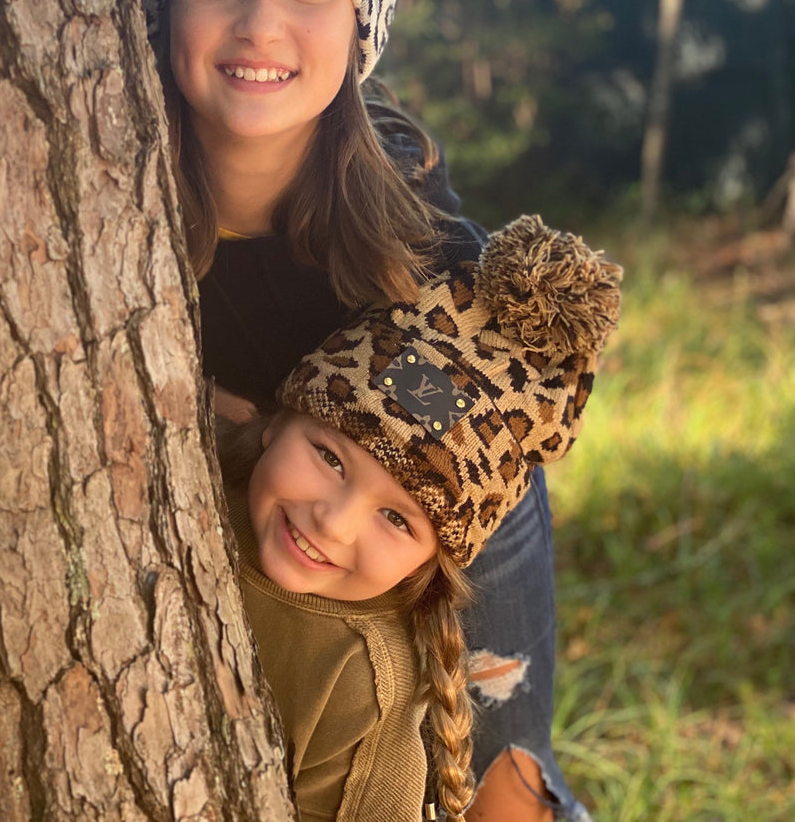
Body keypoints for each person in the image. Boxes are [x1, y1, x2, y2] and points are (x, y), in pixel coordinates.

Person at [138, 0, 598, 817]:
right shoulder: (110, 191)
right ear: (164, 1)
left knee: (489, 774)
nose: (260, 26)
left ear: (360, 25)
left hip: (426, 490)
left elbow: (504, 410)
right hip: (286, 477)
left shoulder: (407, 233)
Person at [216, 216, 621, 821]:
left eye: (398, 519)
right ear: (276, 421)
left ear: (430, 567)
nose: (334, 523)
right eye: (329, 457)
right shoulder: (201, 478)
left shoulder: (366, 697)